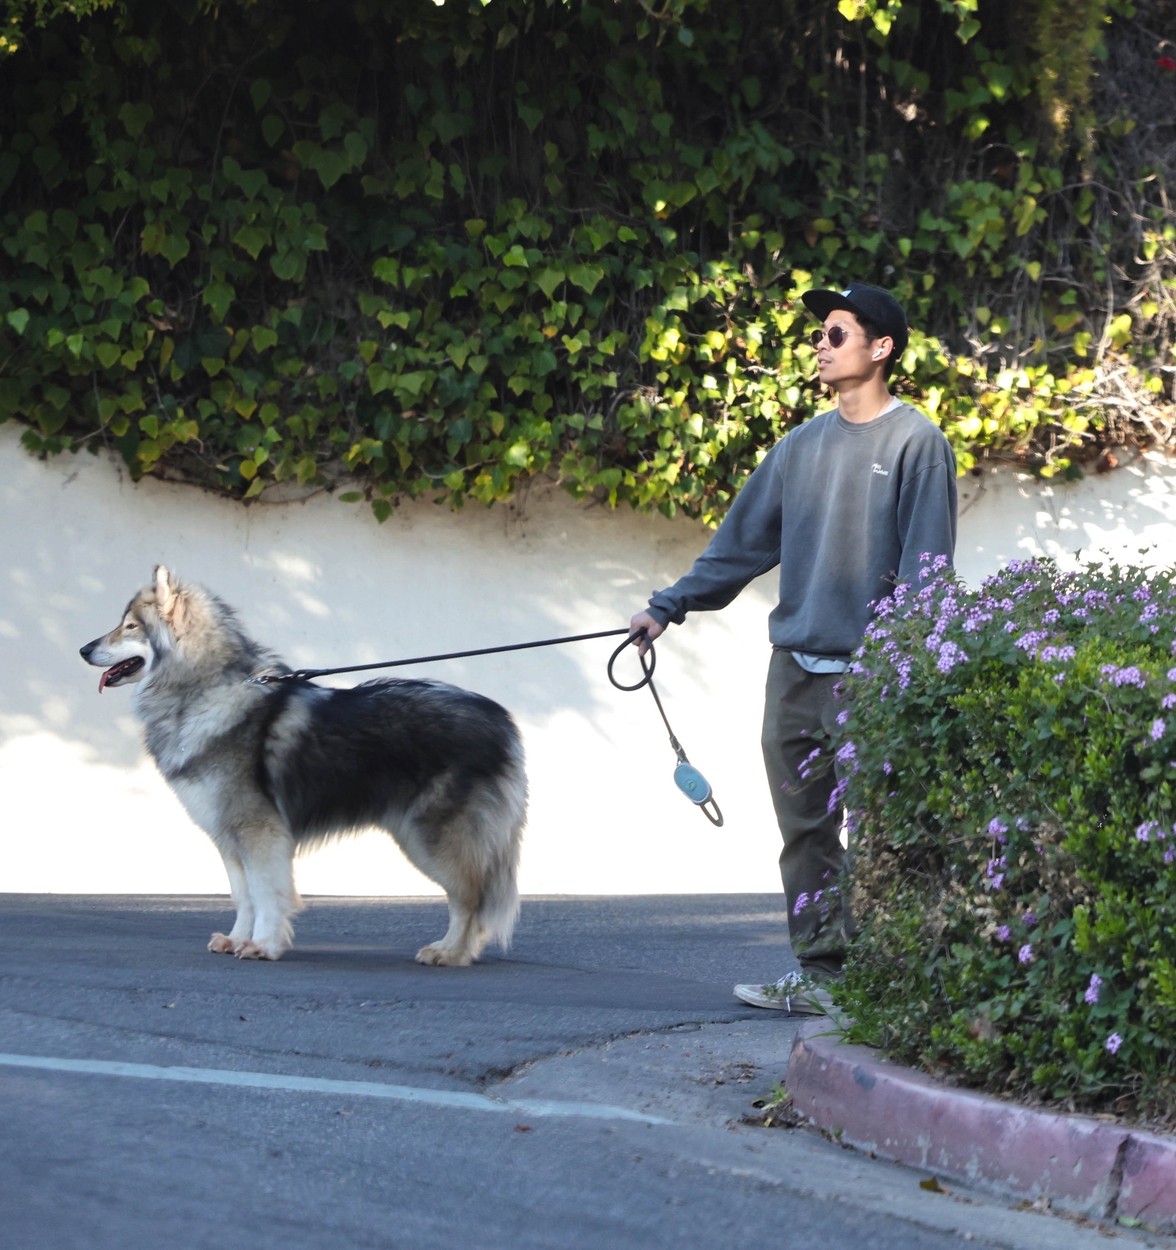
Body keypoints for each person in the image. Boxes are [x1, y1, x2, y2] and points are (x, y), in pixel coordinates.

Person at [629, 282, 958, 1014]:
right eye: (820, 335)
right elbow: (739, 546)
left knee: (888, 836)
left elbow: (928, 571)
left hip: (874, 674)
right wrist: (665, 608)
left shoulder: (916, 443)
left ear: (881, 349)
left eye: (836, 334)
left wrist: (906, 666)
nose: (819, 344)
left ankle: (890, 986)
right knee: (804, 830)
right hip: (796, 672)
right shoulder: (798, 448)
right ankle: (822, 976)